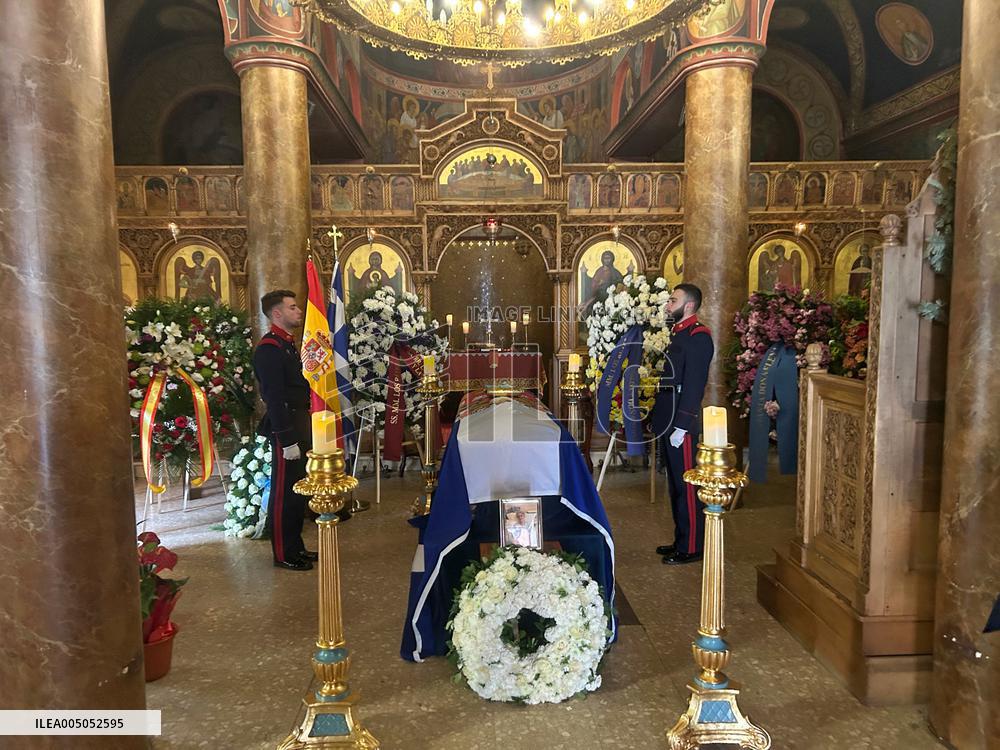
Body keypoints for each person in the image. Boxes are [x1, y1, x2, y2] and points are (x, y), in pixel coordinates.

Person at [650, 283, 715, 565]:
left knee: (687, 487)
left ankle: (691, 547)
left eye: (672, 301)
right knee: (675, 485)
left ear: (688, 305)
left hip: (681, 423)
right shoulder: (679, 334)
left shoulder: (698, 337)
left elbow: (693, 385)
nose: (667, 305)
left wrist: (682, 425)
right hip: (669, 419)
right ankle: (681, 538)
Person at [253, 290, 316, 571]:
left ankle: (296, 546)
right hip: (286, 428)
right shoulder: (269, 349)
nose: (299, 311)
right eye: (293, 307)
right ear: (277, 313)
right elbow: (274, 398)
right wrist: (287, 439)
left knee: (297, 492)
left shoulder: (287, 345)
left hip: (299, 423)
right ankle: (283, 553)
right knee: (284, 494)